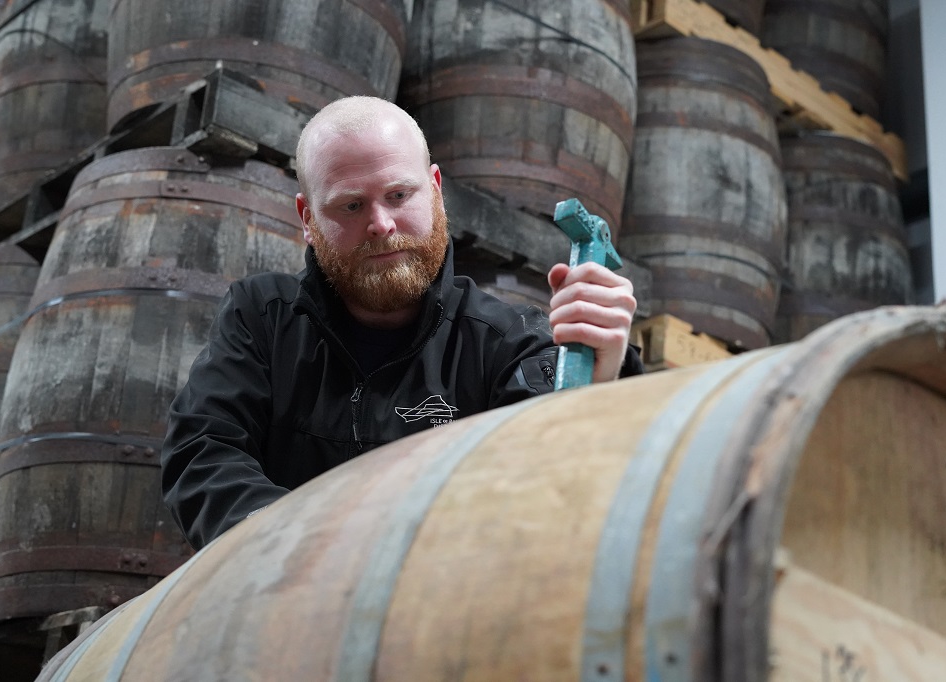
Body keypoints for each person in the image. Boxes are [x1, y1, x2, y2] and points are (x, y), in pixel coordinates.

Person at [161, 96, 641, 550]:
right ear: (307, 217)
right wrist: (298, 550)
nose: (381, 224)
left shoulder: (504, 341)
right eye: (351, 205)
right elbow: (203, 452)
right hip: (278, 611)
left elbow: (556, 469)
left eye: (398, 194)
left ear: (434, 190)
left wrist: (606, 378)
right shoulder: (261, 319)